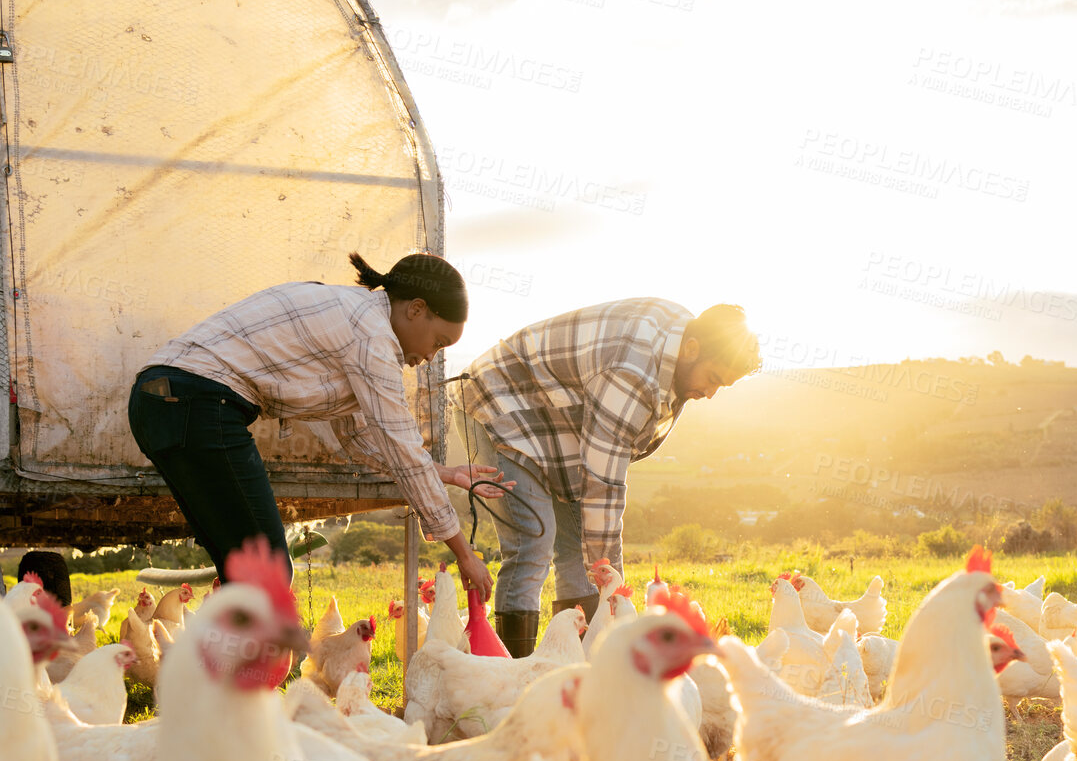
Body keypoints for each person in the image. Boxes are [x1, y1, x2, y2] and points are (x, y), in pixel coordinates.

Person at [128, 252, 502, 597]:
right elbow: (403, 450)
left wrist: (443, 473)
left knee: (244, 568)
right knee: (268, 569)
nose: (429, 357)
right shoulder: (372, 336)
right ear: (417, 309)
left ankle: (212, 665)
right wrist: (464, 553)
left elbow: (359, 437)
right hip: (195, 402)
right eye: (438, 342)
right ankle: (229, 665)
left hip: (163, 403)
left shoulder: (356, 319)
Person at [454, 296, 760, 655]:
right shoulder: (632, 373)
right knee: (533, 541)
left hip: (552, 428)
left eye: (721, 386)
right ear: (691, 349)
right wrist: (613, 586)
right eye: (712, 379)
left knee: (577, 548)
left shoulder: (683, 338)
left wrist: (601, 574)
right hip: (497, 404)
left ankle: (577, 670)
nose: (710, 394)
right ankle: (509, 680)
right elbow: (603, 484)